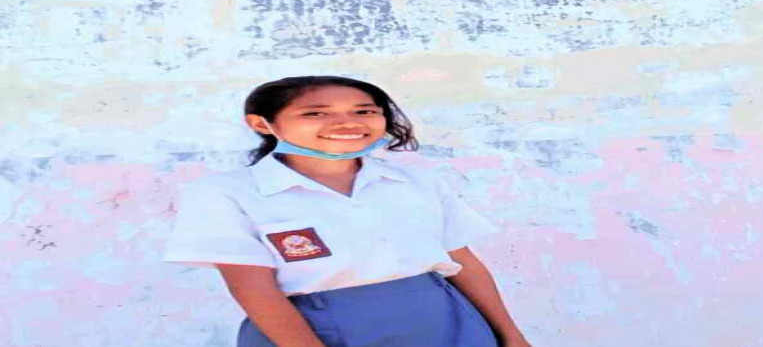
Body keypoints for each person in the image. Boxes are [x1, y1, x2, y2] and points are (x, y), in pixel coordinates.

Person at [164, 76, 530, 347]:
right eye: (315, 113)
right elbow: (256, 291)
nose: (347, 122)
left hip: (445, 323)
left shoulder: (417, 183)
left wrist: (511, 336)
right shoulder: (227, 193)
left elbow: (465, 263)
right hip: (315, 330)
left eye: (364, 111)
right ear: (262, 124)